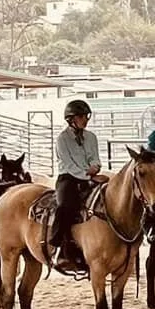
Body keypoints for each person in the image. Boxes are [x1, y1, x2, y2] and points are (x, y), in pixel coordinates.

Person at [52, 100, 103, 262]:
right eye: (81, 116)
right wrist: (88, 175)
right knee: (66, 206)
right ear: (71, 119)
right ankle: (59, 244)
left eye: (86, 116)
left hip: (89, 175)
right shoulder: (62, 139)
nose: (85, 119)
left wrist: (96, 167)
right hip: (68, 178)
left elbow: (95, 158)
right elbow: (68, 165)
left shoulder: (91, 137)